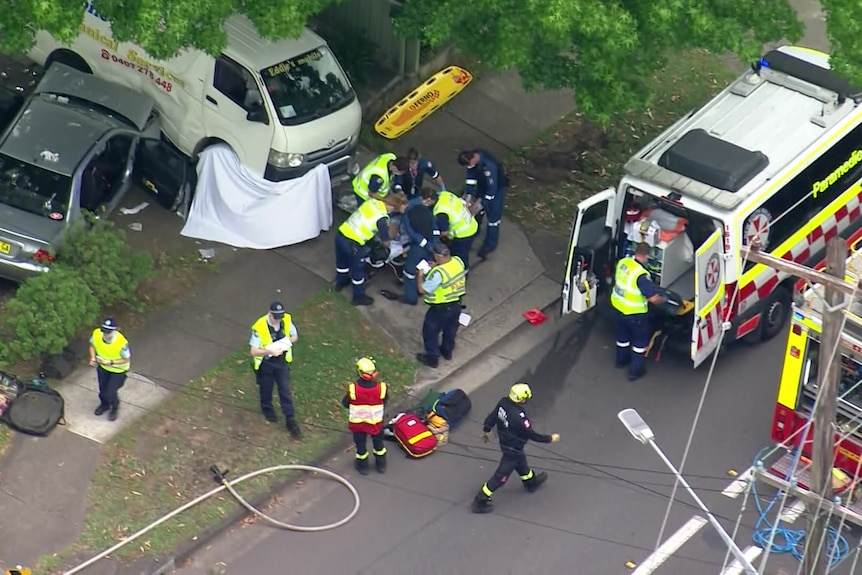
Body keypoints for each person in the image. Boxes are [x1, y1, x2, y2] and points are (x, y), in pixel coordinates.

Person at [471, 383, 560, 514]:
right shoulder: (519, 417)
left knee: (521, 464)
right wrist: (549, 439)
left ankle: (530, 482)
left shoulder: (503, 403)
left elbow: (491, 417)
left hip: (506, 443)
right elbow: (532, 434)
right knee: (501, 476)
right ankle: (480, 499)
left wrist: (486, 431)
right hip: (512, 449)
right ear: (522, 399)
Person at [611, 242, 667, 381]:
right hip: (635, 313)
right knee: (639, 342)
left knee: (622, 337)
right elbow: (653, 298)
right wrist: (663, 300)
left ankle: (620, 361)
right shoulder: (641, 275)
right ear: (647, 256)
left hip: (619, 307)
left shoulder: (624, 262)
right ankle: (635, 371)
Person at [249, 301, 302, 438]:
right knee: (266, 388)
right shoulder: (260, 326)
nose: (278, 320)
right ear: (270, 313)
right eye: (275, 317)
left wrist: (284, 344)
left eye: (280, 317)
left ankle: (290, 419)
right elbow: (254, 351)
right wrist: (269, 351)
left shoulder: (286, 320)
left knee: (285, 389)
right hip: (266, 363)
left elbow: (295, 336)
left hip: (281, 361)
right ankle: (267, 408)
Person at [380, 188, 440, 305]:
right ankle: (423, 287)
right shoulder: (424, 208)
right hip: (432, 242)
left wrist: (426, 245)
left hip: (420, 246)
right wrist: (434, 243)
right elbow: (434, 226)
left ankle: (410, 297)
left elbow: (412, 233)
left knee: (409, 271)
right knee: (425, 266)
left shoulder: (407, 215)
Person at [416, 242, 467, 368]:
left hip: (441, 308)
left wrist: (419, 276)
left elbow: (422, 290)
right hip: (456, 304)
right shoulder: (457, 261)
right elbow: (449, 271)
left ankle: (432, 358)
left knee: (430, 331)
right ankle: (447, 351)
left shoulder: (439, 274)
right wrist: (437, 265)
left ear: (438, 256)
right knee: (450, 330)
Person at [335, 196, 393, 306]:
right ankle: (358, 296)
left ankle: (340, 282)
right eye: (392, 209)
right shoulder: (382, 218)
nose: (391, 211)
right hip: (353, 244)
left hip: (341, 234)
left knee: (341, 262)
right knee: (358, 271)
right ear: (390, 206)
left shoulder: (372, 202)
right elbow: (385, 241)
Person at [458, 149, 509, 260]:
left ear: (473, 159)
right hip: (483, 186)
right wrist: (468, 198)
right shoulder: (473, 160)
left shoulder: (489, 167)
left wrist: (478, 205)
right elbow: (470, 180)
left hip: (497, 190)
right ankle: (474, 231)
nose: (468, 167)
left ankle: (490, 245)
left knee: (493, 219)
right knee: (477, 215)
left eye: (469, 165)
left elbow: (491, 191)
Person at [341, 357, 388, 475]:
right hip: (376, 423)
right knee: (379, 445)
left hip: (359, 424)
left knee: (361, 447)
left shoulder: (353, 388)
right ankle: (381, 465)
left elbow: (345, 403)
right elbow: (385, 400)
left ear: (359, 372)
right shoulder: (382, 387)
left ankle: (363, 467)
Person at [88, 317, 131, 422]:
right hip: (103, 368)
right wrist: (93, 357)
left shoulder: (121, 342)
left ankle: (115, 408)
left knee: (111, 392)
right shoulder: (97, 334)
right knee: (102, 390)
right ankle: (104, 405)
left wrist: (111, 362)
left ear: (114, 330)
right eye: (104, 332)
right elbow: (92, 346)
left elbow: (126, 359)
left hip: (118, 370)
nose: (105, 335)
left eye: (108, 332)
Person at [431, 188, 479, 270]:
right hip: (471, 224)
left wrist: (434, 234)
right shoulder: (444, 195)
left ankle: (462, 275)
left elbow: (444, 232)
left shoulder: (441, 212)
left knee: (460, 258)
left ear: (430, 200)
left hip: (464, 234)